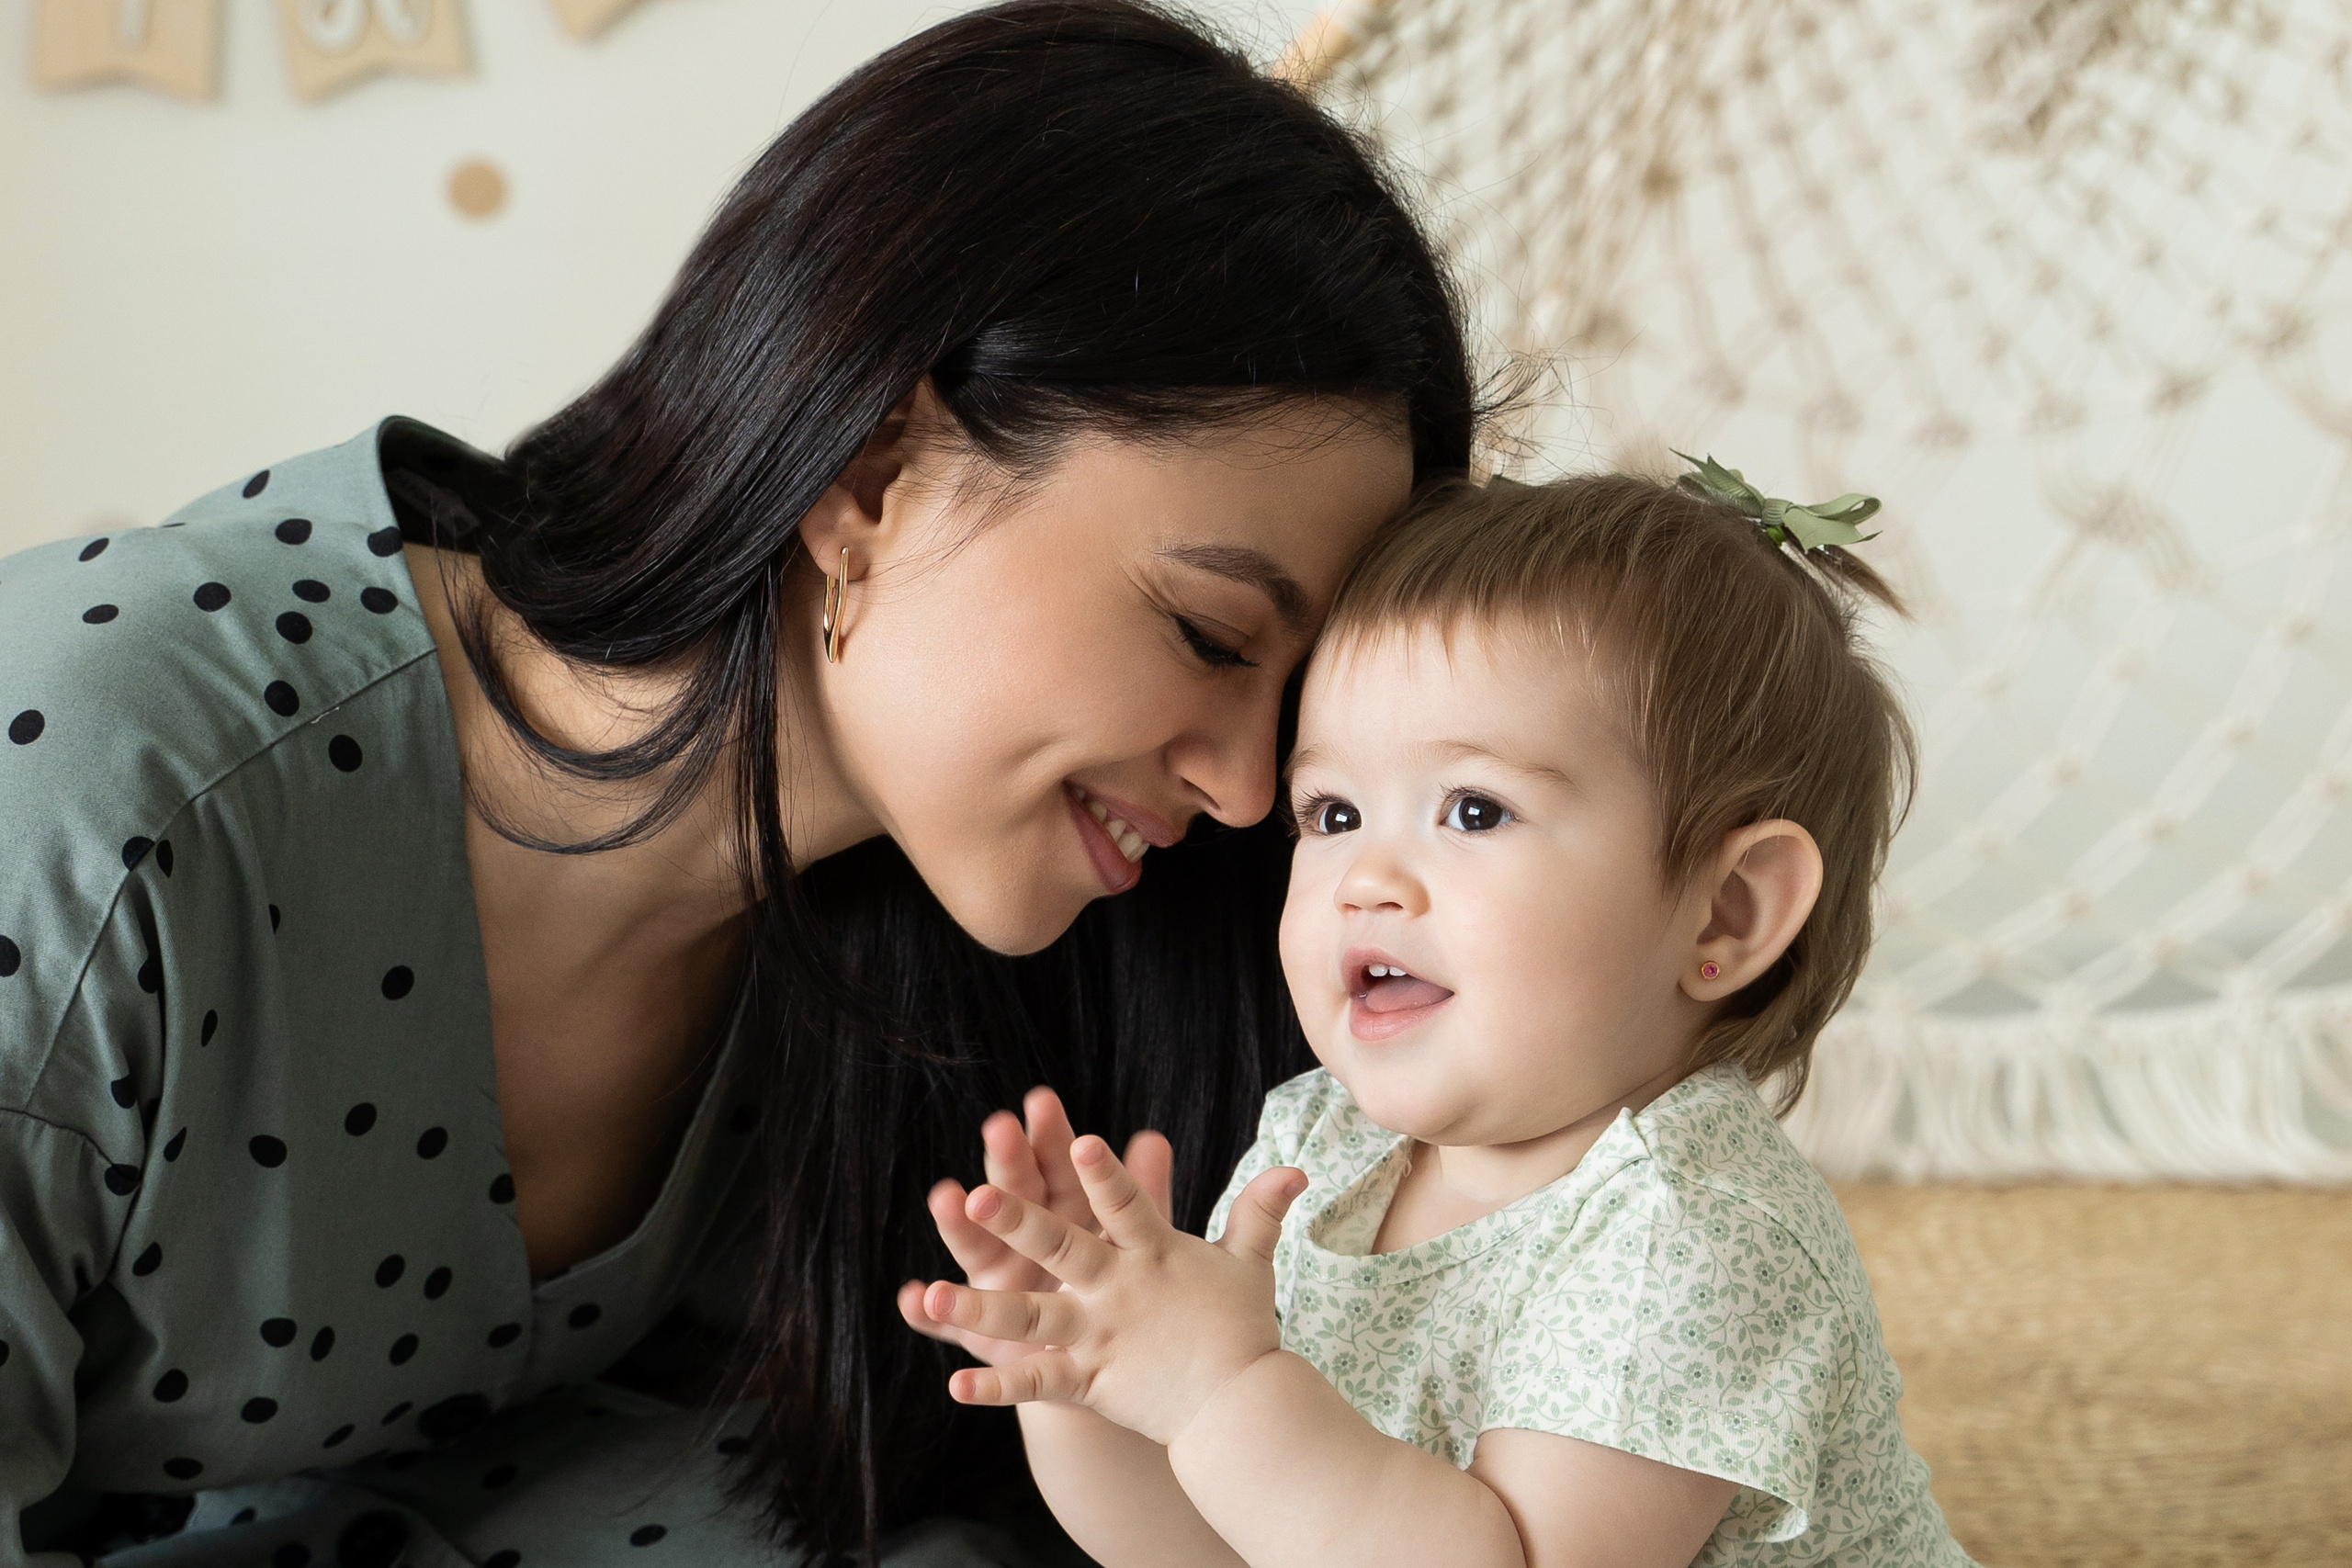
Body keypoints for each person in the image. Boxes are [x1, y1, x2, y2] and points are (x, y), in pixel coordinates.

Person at [0, 3, 1477, 1564]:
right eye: (1205, 632)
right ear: (874, 479)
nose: (1248, 791)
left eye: (1290, 705)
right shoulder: (104, 792)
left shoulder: (911, 981)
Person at [906, 461, 1981, 1566]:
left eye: (1472, 810)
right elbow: (1223, 1547)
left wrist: (1222, 1386)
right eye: (1331, 810)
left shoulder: (1691, 1236)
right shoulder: (1321, 1146)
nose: (1366, 877)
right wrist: (1097, 1374)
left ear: (1729, 913)